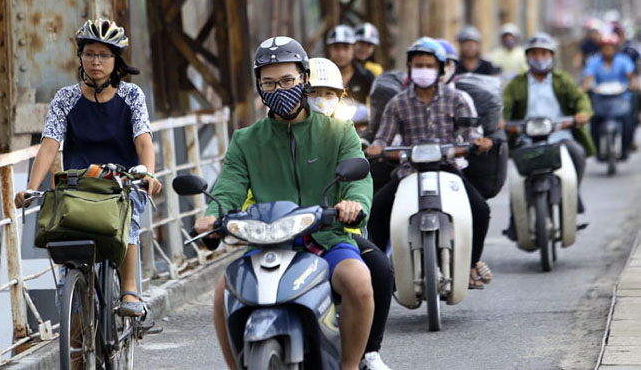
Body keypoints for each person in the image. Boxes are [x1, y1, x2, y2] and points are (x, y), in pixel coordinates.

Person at [194, 36, 375, 370]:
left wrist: (352, 203)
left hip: (327, 238)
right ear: (259, 86)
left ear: (305, 78)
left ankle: (349, 366)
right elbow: (229, 186)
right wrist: (212, 216)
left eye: (288, 81)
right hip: (267, 242)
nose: (279, 90)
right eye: (269, 83)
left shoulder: (339, 130)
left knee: (359, 282)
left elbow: (358, 178)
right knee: (223, 291)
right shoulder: (246, 140)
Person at [14, 19, 162, 316]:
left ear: (116, 60)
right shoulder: (66, 98)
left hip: (123, 182)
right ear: (81, 57)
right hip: (78, 184)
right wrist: (31, 187)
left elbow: (144, 142)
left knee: (127, 214)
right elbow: (49, 145)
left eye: (105, 55)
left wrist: (146, 172)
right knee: (64, 230)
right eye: (90, 53)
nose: (97, 61)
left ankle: (129, 289)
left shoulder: (132, 96)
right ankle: (75, 309)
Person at [365, 37, 494, 289]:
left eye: (429, 65)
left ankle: (471, 265)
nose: (423, 70)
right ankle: (376, 273)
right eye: (418, 65)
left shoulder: (457, 99)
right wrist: (377, 147)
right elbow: (383, 137)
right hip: (408, 172)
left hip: (448, 169)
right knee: (378, 209)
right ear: (410, 68)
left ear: (441, 69)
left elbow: (472, 133)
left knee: (481, 210)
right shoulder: (398, 103)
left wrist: (479, 142)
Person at [304, 56, 393, 370]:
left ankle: (368, 352)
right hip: (284, 231)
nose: (322, 100)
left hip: (339, 232)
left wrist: (351, 208)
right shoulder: (271, 134)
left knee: (380, 269)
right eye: (315, 92)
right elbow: (249, 187)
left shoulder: (345, 135)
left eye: (330, 94)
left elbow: (360, 182)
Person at [502, 33, 594, 240]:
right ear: (527, 57)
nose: (539, 57)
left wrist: (582, 114)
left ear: (552, 56)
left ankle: (571, 196)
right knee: (517, 175)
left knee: (577, 154)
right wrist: (500, 121)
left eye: (544, 53)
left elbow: (581, 99)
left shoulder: (563, 81)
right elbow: (504, 105)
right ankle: (515, 220)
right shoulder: (517, 83)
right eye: (534, 53)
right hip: (527, 139)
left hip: (559, 137)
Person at [582, 33, 638, 157]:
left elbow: (631, 76)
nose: (607, 50)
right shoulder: (594, 61)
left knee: (629, 119)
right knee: (593, 121)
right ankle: (595, 149)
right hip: (600, 98)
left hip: (621, 98)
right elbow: (588, 77)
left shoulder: (623, 60)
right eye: (604, 47)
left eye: (610, 47)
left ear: (615, 48)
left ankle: (626, 146)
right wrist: (585, 87)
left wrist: (633, 84)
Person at [327, 24, 375, 104]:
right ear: (329, 49)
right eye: (336, 47)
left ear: (353, 48)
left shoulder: (366, 77)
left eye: (346, 47)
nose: (341, 53)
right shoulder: (320, 76)